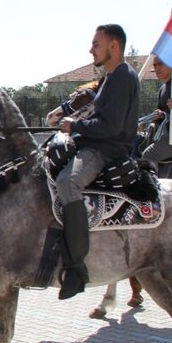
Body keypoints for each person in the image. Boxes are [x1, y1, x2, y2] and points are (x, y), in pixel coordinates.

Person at [56, 24, 139, 300]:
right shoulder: (113, 77)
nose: (91, 49)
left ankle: (76, 268)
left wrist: (75, 126)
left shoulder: (122, 77)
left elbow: (111, 126)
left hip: (105, 151)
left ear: (113, 46)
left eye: (96, 44)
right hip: (94, 144)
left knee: (67, 183)